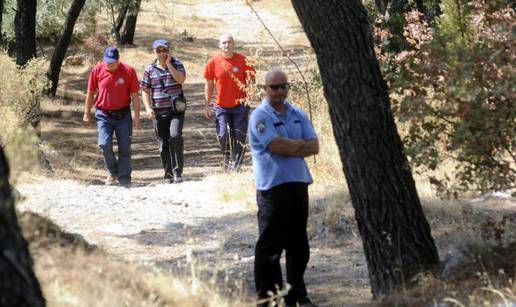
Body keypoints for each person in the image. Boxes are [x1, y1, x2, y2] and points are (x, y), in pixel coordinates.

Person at [248, 69, 319, 307]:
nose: (279, 91)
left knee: (299, 245)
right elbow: (276, 145)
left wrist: (293, 146)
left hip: (298, 184)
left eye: (283, 86)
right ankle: (270, 299)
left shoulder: (297, 113)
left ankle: (296, 294)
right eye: (274, 87)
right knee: (270, 247)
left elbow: (315, 145)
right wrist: (300, 146)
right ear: (265, 89)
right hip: (273, 188)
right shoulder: (260, 116)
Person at [83, 46, 141, 187]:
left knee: (125, 146)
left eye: (113, 62)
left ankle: (125, 176)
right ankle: (112, 171)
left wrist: (137, 117)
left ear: (118, 60)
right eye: (107, 61)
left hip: (123, 115)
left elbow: (134, 96)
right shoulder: (97, 70)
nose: (110, 64)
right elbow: (90, 93)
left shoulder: (128, 71)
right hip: (103, 114)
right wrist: (86, 113)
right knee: (104, 143)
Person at [204, 34, 255, 171]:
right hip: (221, 106)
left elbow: (251, 82)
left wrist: (248, 99)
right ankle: (227, 160)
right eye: (224, 43)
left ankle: (236, 165)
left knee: (239, 135)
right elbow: (209, 85)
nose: (227, 45)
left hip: (240, 106)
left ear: (234, 44)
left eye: (229, 42)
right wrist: (207, 104)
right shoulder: (213, 62)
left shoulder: (243, 60)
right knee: (223, 134)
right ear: (219, 45)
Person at [141, 39, 187, 183]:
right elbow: (145, 91)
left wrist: (168, 64)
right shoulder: (149, 70)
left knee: (175, 136)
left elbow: (181, 80)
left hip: (176, 111)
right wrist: (148, 108)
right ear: (154, 52)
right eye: (158, 50)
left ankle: (177, 172)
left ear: (169, 51)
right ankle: (167, 174)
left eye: (164, 50)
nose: (162, 53)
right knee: (163, 143)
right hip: (158, 112)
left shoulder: (177, 64)